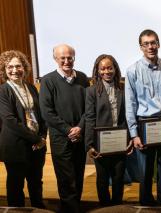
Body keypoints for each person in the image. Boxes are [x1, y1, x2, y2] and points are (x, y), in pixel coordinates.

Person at [125, 29, 161, 206]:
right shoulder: (132, 70)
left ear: (158, 44)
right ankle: (146, 205)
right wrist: (134, 134)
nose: (150, 46)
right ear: (141, 47)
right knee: (145, 172)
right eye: (146, 44)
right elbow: (130, 104)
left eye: (153, 43)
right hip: (144, 125)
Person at [39, 44, 89, 213]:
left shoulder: (82, 78)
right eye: (63, 58)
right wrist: (69, 130)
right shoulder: (47, 80)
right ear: (56, 59)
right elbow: (47, 112)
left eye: (70, 57)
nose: (67, 61)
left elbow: (88, 108)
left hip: (80, 136)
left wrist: (80, 128)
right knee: (66, 179)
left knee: (78, 175)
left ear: (74, 58)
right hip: (61, 139)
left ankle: (75, 208)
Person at [0, 50, 46, 208]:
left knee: (36, 183)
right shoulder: (3, 91)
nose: (14, 70)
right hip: (15, 146)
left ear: (24, 68)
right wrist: (36, 139)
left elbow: (41, 115)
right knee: (15, 185)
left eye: (18, 66)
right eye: (10, 67)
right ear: (4, 70)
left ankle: (39, 209)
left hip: (36, 147)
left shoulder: (31, 88)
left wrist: (43, 137)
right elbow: (10, 121)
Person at [85, 54, 132, 206]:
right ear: (98, 71)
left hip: (120, 141)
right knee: (103, 178)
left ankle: (117, 207)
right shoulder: (92, 91)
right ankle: (104, 208)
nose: (107, 71)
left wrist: (130, 139)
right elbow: (90, 118)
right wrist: (89, 145)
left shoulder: (124, 88)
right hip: (101, 143)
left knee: (118, 177)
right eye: (103, 68)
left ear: (115, 69)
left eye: (110, 68)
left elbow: (128, 115)